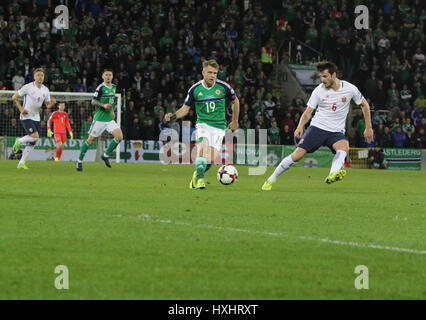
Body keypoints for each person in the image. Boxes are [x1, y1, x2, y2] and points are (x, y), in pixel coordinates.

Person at [262, 61, 373, 190]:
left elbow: (365, 105)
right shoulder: (319, 91)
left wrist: (368, 127)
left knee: (344, 146)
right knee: (297, 155)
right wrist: (300, 126)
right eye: (321, 76)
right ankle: (271, 179)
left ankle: (333, 173)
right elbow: (308, 112)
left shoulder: (350, 89)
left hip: (336, 131)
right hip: (317, 128)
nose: (322, 79)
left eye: (325, 76)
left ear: (334, 75)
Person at [164, 59, 239, 189]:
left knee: (209, 161)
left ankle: (196, 175)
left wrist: (235, 121)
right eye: (210, 72)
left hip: (219, 127)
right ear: (203, 72)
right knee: (202, 147)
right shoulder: (195, 89)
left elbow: (235, 102)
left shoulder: (224, 87)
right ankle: (200, 180)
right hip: (203, 124)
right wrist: (174, 116)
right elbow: (186, 108)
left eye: (215, 73)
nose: (212, 76)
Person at [76, 68, 123, 171]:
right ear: (102, 76)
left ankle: (105, 155)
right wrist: (103, 105)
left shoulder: (114, 87)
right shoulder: (100, 88)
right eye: (106, 75)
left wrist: (112, 111)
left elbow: (112, 101)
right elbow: (93, 101)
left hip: (109, 119)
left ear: (112, 76)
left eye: (110, 75)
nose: (108, 76)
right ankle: (79, 161)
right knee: (90, 140)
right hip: (99, 119)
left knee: (119, 137)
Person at [12, 68, 56, 169]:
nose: (40, 77)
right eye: (38, 75)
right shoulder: (28, 87)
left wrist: (52, 103)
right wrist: (21, 109)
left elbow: (47, 105)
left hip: (36, 117)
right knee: (35, 137)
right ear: (34, 77)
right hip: (26, 116)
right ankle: (19, 141)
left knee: (34, 141)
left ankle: (21, 163)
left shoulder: (46, 89)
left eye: (42, 75)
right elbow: (14, 97)